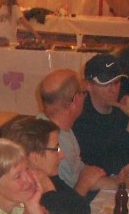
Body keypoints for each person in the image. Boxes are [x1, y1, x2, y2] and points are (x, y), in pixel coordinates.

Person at [4, 116, 91, 214]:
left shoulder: (48, 177)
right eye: (56, 149)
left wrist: (50, 183)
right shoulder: (22, 191)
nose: (62, 155)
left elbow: (82, 209)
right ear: (34, 158)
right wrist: (49, 192)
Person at [38, 68, 115, 196]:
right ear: (76, 99)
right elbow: (63, 201)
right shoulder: (51, 143)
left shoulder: (62, 127)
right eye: (83, 93)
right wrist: (85, 182)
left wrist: (119, 182)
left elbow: (79, 172)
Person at [72, 54, 129, 177]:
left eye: (117, 82)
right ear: (88, 85)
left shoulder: (121, 110)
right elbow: (109, 166)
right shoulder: (80, 118)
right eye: (106, 84)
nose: (113, 90)